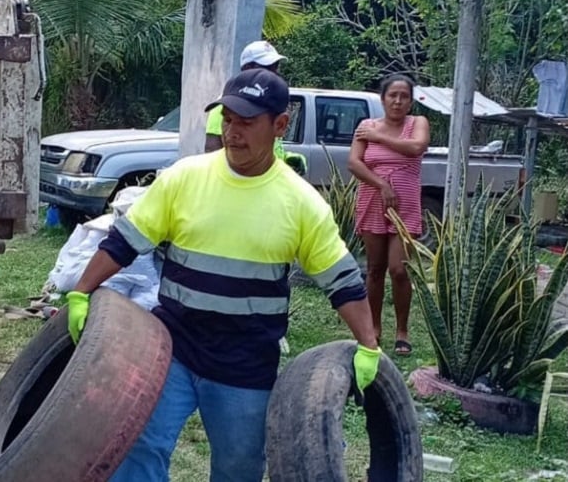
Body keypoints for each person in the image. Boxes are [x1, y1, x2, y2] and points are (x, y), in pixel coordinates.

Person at [65, 68, 380, 482]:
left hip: (245, 364)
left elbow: (342, 283)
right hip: (172, 348)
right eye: (228, 119)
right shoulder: (184, 177)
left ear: (280, 125)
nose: (233, 132)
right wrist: (81, 292)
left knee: (238, 469)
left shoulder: (302, 203)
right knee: (138, 447)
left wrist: (369, 346)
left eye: (247, 122)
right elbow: (124, 241)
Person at [347, 74, 430, 357]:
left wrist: (379, 137)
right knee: (374, 269)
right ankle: (374, 329)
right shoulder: (365, 126)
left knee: (399, 269)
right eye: (392, 95)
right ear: (382, 99)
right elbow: (354, 162)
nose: (397, 101)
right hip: (372, 201)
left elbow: (416, 147)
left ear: (410, 100)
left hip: (405, 206)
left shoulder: (416, 124)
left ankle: (402, 331)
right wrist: (381, 185)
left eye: (403, 96)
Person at [205, 40, 308, 176]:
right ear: (247, 68)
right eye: (267, 66)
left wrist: (286, 159)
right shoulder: (224, 107)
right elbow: (212, 151)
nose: (274, 72)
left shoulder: (270, 105)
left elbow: (265, 150)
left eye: (275, 66)